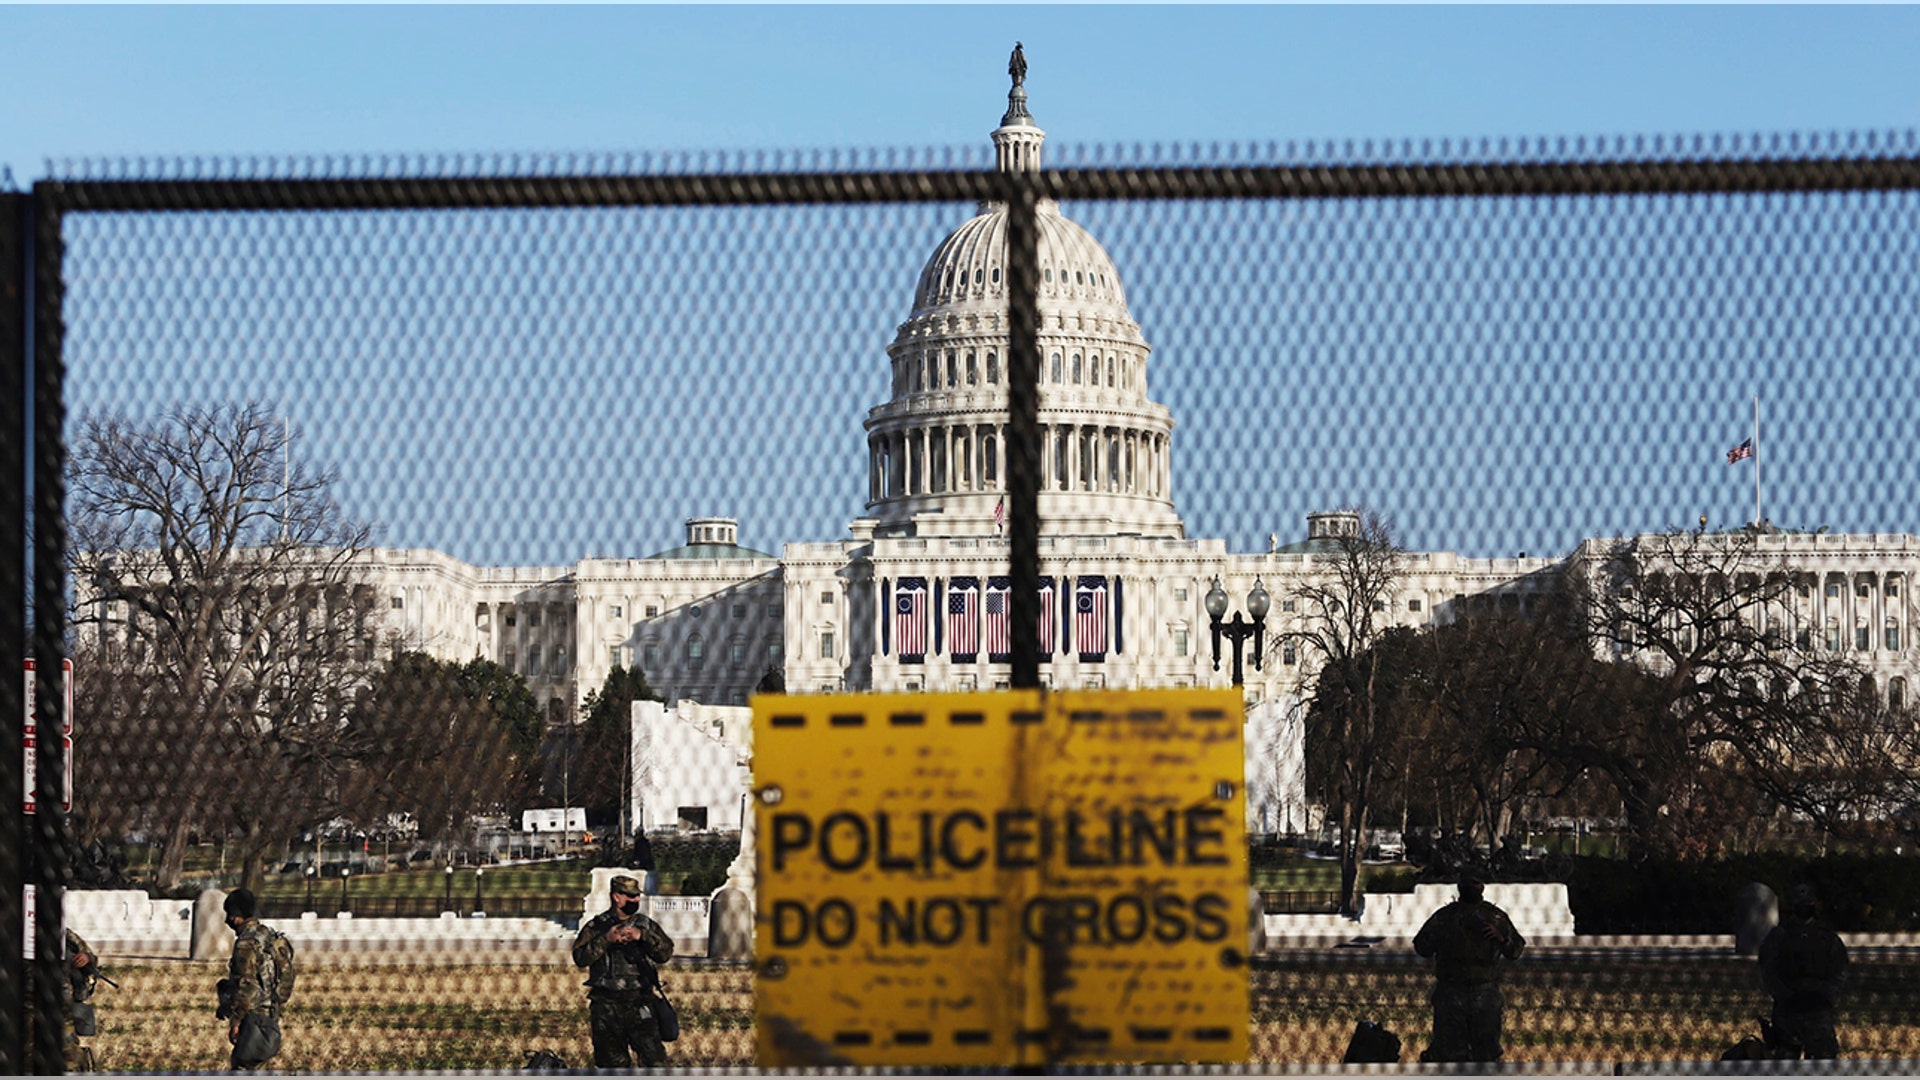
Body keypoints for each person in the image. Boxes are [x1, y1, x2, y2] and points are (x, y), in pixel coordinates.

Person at [1412, 876, 1526, 1063]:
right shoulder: (1445, 916)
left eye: (1474, 881)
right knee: (1449, 1053)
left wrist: (1501, 938)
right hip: (1451, 991)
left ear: (1482, 886)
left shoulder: (1495, 917)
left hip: (1483, 991)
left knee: (1485, 1052)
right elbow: (1422, 947)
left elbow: (1516, 950)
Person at [572, 874, 675, 1067]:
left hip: (640, 1001)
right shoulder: (597, 926)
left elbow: (665, 953)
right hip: (606, 1005)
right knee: (612, 1065)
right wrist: (606, 940)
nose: (635, 900)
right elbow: (580, 958)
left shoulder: (644, 924)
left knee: (655, 1062)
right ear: (616, 897)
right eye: (630, 896)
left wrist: (642, 936)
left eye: (637, 896)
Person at [1758, 882, 1849, 1059]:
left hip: (1815, 1008)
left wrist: (1824, 996)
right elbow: (1768, 970)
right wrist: (1787, 996)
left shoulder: (1825, 937)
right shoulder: (1780, 936)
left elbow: (1839, 969)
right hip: (1791, 1009)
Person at [218, 889, 285, 1071]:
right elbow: (286, 976)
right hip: (270, 1015)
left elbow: (245, 986)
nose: (227, 920)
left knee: (242, 1066)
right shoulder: (270, 937)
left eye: (230, 915)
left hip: (251, 1018)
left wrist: (236, 1022)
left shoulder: (246, 943)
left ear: (237, 917)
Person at [64, 928, 101, 1070]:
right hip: (22, 1004)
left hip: (61, 1004)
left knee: (68, 1055)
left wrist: (85, 958)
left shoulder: (63, 934)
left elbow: (91, 957)